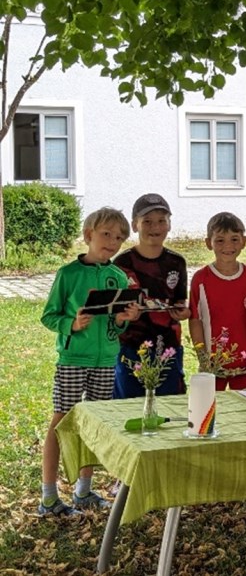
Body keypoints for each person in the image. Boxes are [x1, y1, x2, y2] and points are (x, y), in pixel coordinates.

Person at [38, 207, 140, 516]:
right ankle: (49, 497)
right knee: (62, 423)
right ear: (88, 235)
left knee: (94, 425)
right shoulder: (68, 274)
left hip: (106, 360)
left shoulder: (118, 277)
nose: (112, 242)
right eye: (106, 234)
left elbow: (115, 326)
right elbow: (49, 316)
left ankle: (83, 492)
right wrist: (71, 324)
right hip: (73, 359)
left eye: (119, 238)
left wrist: (123, 319)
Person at [114, 194, 190, 399]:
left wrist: (183, 312)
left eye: (161, 221)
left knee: (170, 404)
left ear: (169, 225)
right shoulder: (121, 263)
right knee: (128, 405)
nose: (155, 227)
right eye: (147, 221)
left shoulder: (177, 262)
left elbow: (180, 302)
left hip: (168, 346)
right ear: (135, 225)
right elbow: (116, 309)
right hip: (131, 346)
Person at [189, 212, 246, 391]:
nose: (228, 246)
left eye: (234, 239)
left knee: (245, 405)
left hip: (245, 363)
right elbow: (195, 321)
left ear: (244, 241)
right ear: (208, 243)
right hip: (213, 365)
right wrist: (203, 359)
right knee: (210, 405)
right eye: (220, 240)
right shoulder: (201, 279)